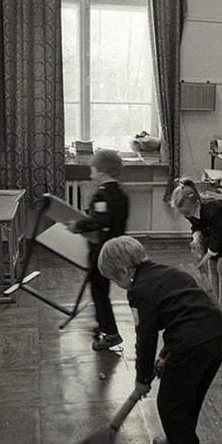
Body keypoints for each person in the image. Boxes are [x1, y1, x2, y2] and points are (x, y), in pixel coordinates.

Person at [97, 235, 222, 444]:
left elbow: (145, 338)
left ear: (124, 271)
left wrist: (141, 379)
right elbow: (183, 314)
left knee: (170, 405)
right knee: (189, 398)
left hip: (192, 344)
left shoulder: (139, 291)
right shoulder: (169, 272)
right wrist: (166, 354)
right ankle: (177, 443)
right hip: (216, 335)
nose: (116, 285)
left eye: (114, 279)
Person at [68, 149, 129, 350]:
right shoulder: (121, 193)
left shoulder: (102, 194)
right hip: (116, 247)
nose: (90, 171)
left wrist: (77, 226)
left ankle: (110, 333)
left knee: (99, 291)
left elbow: (99, 221)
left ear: (102, 171)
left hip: (101, 250)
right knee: (101, 289)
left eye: (93, 168)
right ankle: (103, 324)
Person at [171, 178, 222, 316]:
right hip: (212, 234)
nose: (185, 216)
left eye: (187, 213)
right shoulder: (189, 212)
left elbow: (218, 236)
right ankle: (216, 303)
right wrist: (195, 238)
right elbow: (196, 226)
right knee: (212, 267)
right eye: (183, 214)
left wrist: (205, 258)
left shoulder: (212, 211)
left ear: (196, 204)